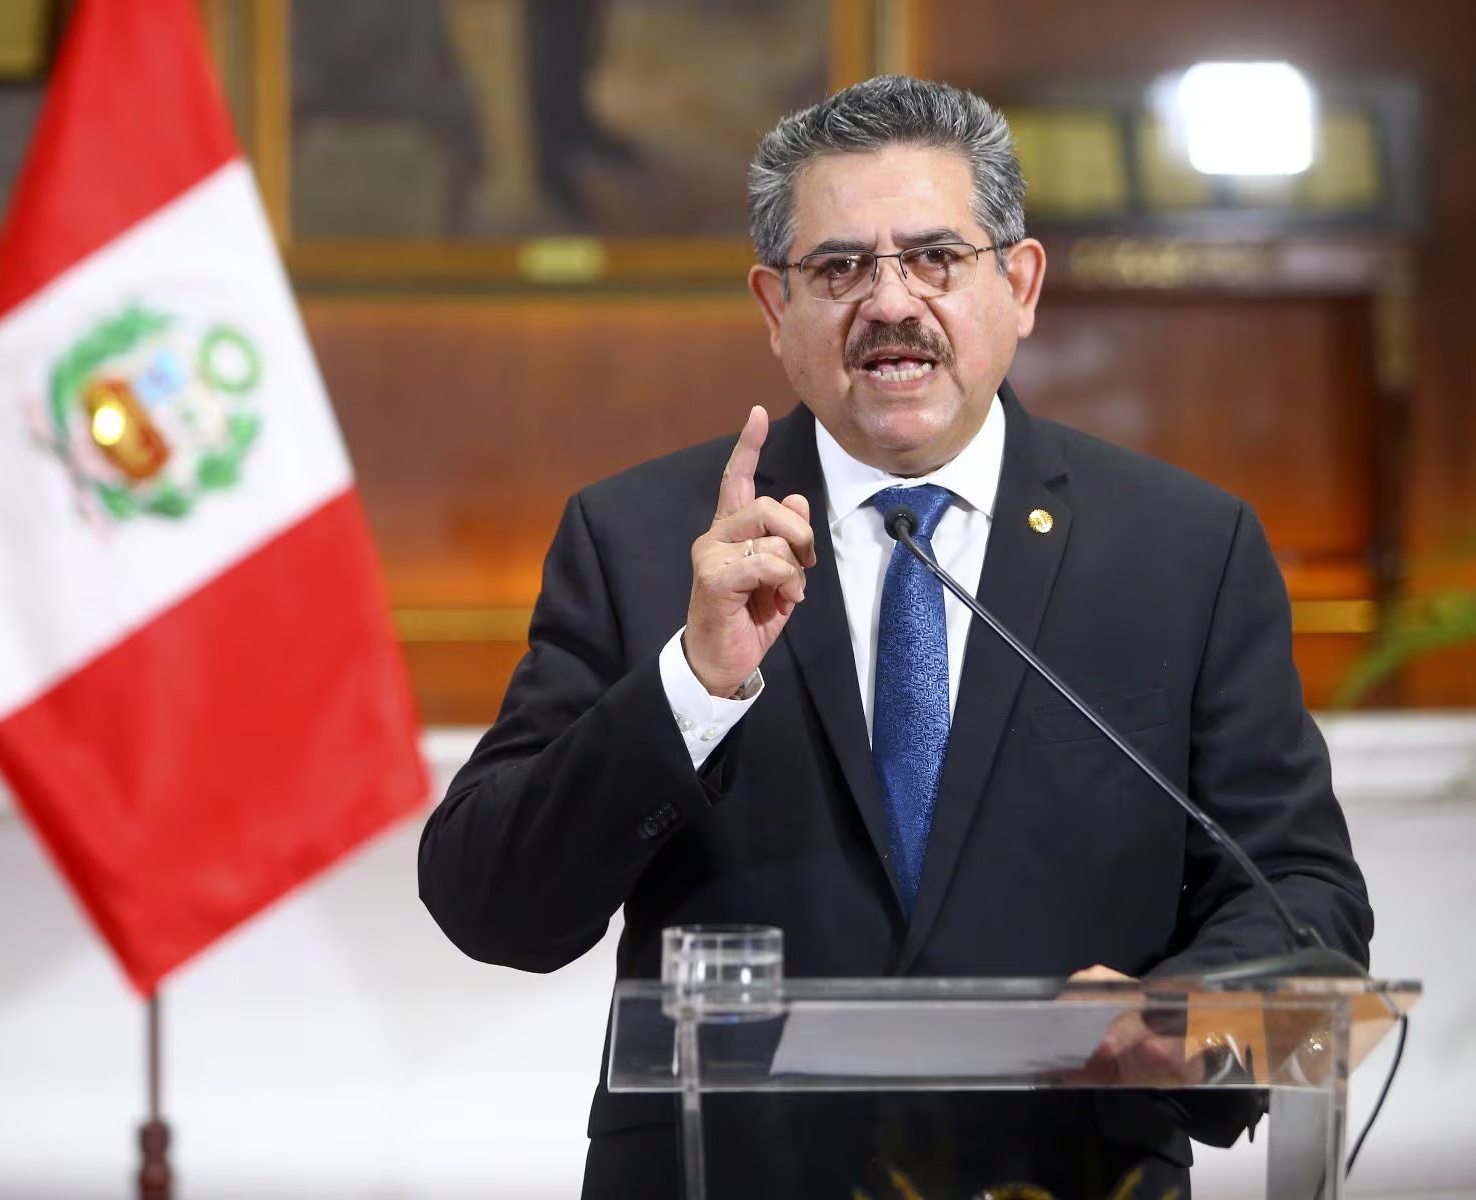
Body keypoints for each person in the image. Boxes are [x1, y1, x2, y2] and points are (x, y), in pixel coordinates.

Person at [418, 76, 1372, 1199]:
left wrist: (1191, 1017)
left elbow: (1299, 891)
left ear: (1018, 286)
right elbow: (491, 901)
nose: (889, 302)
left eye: (934, 259)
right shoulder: (641, 540)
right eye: (839, 269)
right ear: (777, 310)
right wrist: (694, 680)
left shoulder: (1183, 550)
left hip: (1067, 1173)